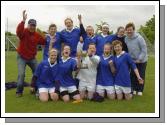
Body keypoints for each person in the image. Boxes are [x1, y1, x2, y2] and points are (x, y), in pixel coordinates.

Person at [16, 10, 45, 97]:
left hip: (32, 57)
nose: (32, 27)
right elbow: (18, 32)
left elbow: (44, 41)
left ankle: (35, 88)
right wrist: (23, 21)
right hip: (22, 57)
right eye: (31, 25)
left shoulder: (37, 35)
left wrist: (47, 35)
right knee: (21, 74)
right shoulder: (24, 31)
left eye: (34, 25)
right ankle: (19, 91)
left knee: (38, 72)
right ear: (28, 25)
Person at [125, 22, 148, 96]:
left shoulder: (139, 38)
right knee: (133, 75)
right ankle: (134, 89)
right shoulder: (126, 38)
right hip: (133, 60)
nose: (129, 31)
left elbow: (144, 50)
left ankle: (140, 90)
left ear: (133, 30)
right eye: (127, 30)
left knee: (141, 74)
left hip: (142, 60)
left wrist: (139, 59)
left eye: (130, 30)